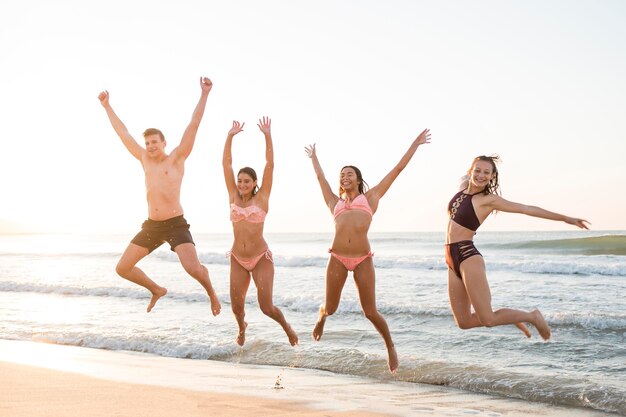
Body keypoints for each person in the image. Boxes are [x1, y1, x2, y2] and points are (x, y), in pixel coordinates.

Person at [305, 128, 431, 373]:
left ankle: (390, 347)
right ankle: (321, 317)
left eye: (349, 174)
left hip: (363, 259)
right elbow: (321, 180)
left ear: (358, 179)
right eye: (342, 175)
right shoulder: (334, 202)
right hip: (337, 259)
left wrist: (415, 144)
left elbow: (397, 170)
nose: (344, 178)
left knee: (370, 312)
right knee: (331, 308)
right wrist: (314, 159)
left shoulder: (371, 198)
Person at [97, 77, 221, 315]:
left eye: (154, 142)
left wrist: (204, 94)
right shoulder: (144, 158)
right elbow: (122, 133)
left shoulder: (177, 157)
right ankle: (156, 289)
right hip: (153, 226)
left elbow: (193, 124)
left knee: (193, 269)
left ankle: (212, 294)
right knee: (122, 268)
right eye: (147, 143)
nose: (150, 146)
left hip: (175, 224)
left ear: (164, 143)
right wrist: (107, 106)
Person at [446, 154, 590, 340]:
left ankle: (532, 316)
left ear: (492, 177)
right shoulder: (463, 187)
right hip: (450, 258)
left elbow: (526, 209)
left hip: (467, 256)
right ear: (470, 171)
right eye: (478, 170)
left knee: (488, 319)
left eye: (486, 172)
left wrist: (565, 218)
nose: (481, 175)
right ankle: (507, 317)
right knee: (463, 322)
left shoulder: (489, 200)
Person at [223, 117, 298, 346]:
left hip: (260, 258)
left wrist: (267, 134)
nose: (242, 184)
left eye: (247, 181)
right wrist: (230, 137)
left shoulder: (262, 197)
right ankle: (241, 326)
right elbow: (226, 165)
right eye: (240, 181)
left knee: (266, 307)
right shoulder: (233, 197)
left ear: (255, 183)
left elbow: (270, 165)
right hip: (237, 257)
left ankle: (286, 327)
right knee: (236, 306)